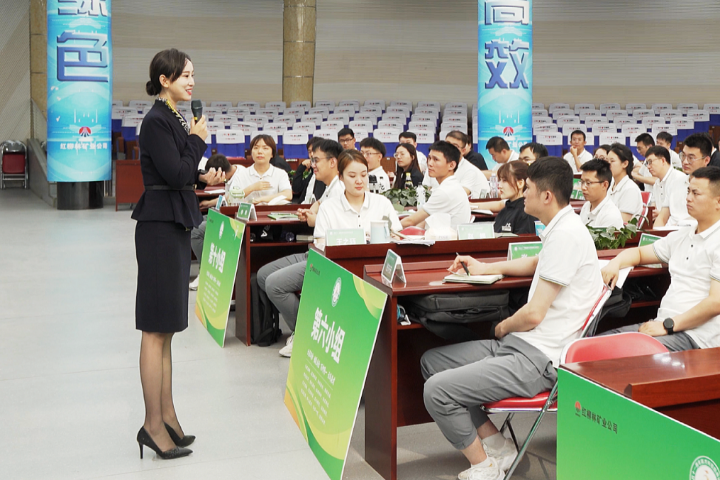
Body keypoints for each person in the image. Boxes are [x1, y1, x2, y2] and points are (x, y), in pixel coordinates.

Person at [422, 157, 603, 480]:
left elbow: (533, 314)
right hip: (523, 344)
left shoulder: (567, 235)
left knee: (437, 390)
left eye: (528, 189)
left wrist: (501, 328)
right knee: (433, 362)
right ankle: (498, 445)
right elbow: (535, 263)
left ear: (546, 196)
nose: (524, 196)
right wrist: (483, 267)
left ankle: (484, 466)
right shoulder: (561, 227)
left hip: (539, 357)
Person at [133, 48, 222, 460]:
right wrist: (197, 143)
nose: (191, 81)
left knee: (167, 328)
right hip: (158, 230)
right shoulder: (156, 121)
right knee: (155, 330)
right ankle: (152, 424)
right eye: (184, 75)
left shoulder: (173, 117)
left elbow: (184, 173)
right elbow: (177, 172)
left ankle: (167, 414)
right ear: (164, 79)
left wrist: (202, 173)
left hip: (172, 223)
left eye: (193, 74)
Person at [258, 149, 400, 358]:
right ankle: (305, 331)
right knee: (273, 283)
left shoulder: (382, 203)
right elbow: (320, 242)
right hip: (332, 267)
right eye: (352, 176)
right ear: (341, 177)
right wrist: (357, 237)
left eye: (363, 175)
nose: (359, 181)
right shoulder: (330, 207)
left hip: (373, 269)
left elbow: (396, 236)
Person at [601, 166, 720, 351]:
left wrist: (668, 325)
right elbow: (639, 253)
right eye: (688, 191)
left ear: (718, 202)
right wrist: (615, 263)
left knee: (613, 354)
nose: (687, 198)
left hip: (695, 338)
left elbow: (716, 303)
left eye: (696, 193)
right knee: (594, 345)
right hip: (663, 327)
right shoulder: (682, 236)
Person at [189, 154, 246, 290]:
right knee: (197, 218)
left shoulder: (240, 179)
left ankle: (206, 271)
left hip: (233, 219)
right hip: (224, 212)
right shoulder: (236, 170)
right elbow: (228, 196)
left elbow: (235, 202)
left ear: (220, 172)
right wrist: (210, 203)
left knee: (195, 231)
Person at [401, 141, 472, 229]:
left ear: (451, 165)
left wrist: (389, 227)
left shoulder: (445, 191)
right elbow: (423, 222)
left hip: (446, 240)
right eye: (429, 158)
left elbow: (410, 221)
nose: (430, 164)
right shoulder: (451, 186)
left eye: (436, 159)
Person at [423, 131, 490, 199]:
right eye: (447, 144)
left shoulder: (470, 170)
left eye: (455, 146)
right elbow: (424, 190)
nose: (449, 148)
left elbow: (459, 196)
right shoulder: (433, 166)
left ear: (463, 151)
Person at [232, 134, 292, 204]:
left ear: (272, 154)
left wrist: (261, 199)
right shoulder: (241, 174)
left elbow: (288, 194)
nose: (260, 151)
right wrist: (251, 188)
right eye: (256, 148)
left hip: (273, 213)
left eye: (265, 148)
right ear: (251, 153)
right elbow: (231, 198)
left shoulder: (280, 173)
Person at [648, 145, 694, 228]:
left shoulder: (678, 178)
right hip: (665, 227)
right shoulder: (657, 183)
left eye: (651, 162)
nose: (648, 166)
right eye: (683, 156)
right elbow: (659, 215)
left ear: (663, 160)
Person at [493, 160, 538, 234]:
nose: (499, 186)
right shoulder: (504, 211)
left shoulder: (527, 213)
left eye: (504, 181)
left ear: (520, 183)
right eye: (499, 180)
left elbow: (522, 243)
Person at [578, 159, 625, 229]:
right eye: (582, 182)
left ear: (605, 185)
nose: (583, 187)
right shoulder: (586, 206)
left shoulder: (610, 215)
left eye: (588, 183)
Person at [606, 143, 643, 222]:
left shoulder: (630, 189)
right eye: (607, 161)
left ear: (625, 164)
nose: (607, 164)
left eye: (612, 161)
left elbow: (623, 223)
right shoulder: (610, 184)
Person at [292, 136, 325, 204]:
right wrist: (301, 167)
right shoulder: (312, 174)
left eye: (314, 151)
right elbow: (296, 188)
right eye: (309, 152)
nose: (312, 155)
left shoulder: (324, 175)